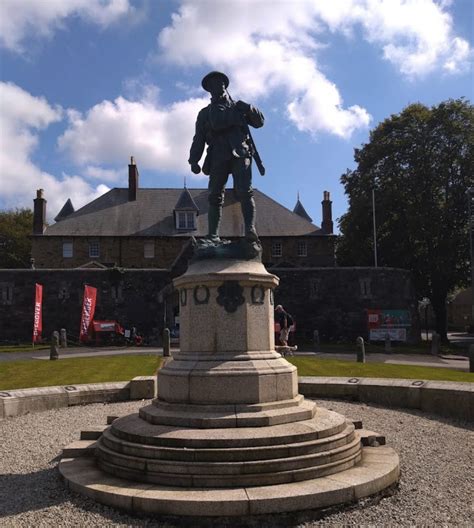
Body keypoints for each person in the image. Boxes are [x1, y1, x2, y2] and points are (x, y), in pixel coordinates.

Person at [188, 71, 265, 242]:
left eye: (221, 82)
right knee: (215, 195)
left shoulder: (239, 107)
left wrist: (248, 107)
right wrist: (194, 160)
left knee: (245, 191)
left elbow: (259, 122)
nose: (218, 86)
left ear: (225, 86)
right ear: (209, 90)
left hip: (240, 152)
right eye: (213, 84)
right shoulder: (204, 113)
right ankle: (213, 235)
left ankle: (250, 231)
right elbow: (199, 138)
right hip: (217, 155)